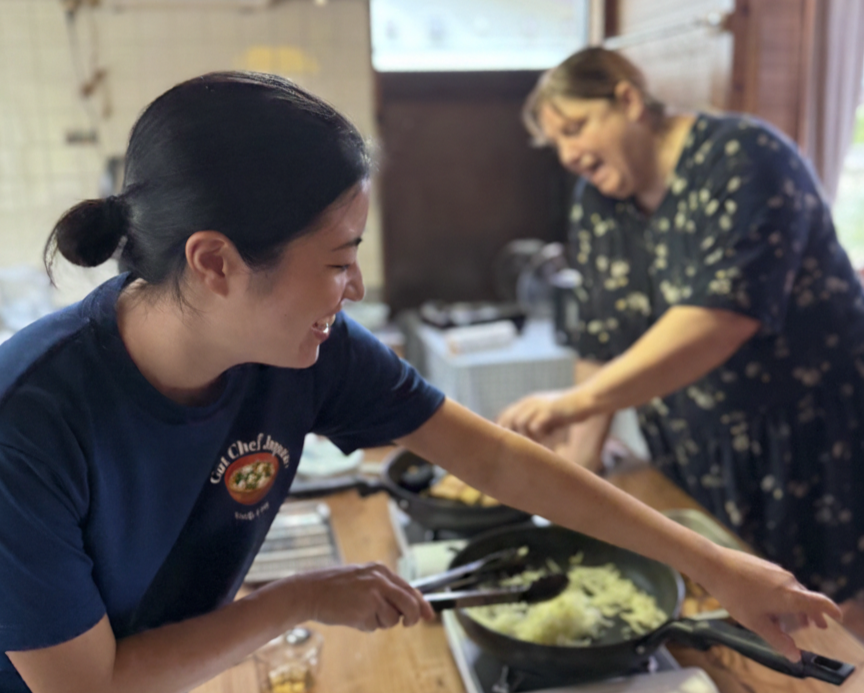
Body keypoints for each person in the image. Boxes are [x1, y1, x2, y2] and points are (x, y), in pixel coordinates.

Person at [0, 71, 840, 693]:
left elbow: (501, 462)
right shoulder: (30, 420)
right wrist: (300, 597)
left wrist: (718, 566)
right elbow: (88, 685)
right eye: (337, 261)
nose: (356, 289)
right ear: (215, 261)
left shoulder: (305, 349)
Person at [497, 46, 864, 634]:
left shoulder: (746, 157)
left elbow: (719, 318)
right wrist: (579, 472)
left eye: (575, 128)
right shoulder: (598, 200)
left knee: (827, 615)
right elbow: (600, 338)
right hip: (691, 446)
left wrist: (570, 406)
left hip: (806, 438)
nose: (569, 155)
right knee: (727, 606)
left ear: (628, 99)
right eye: (556, 143)